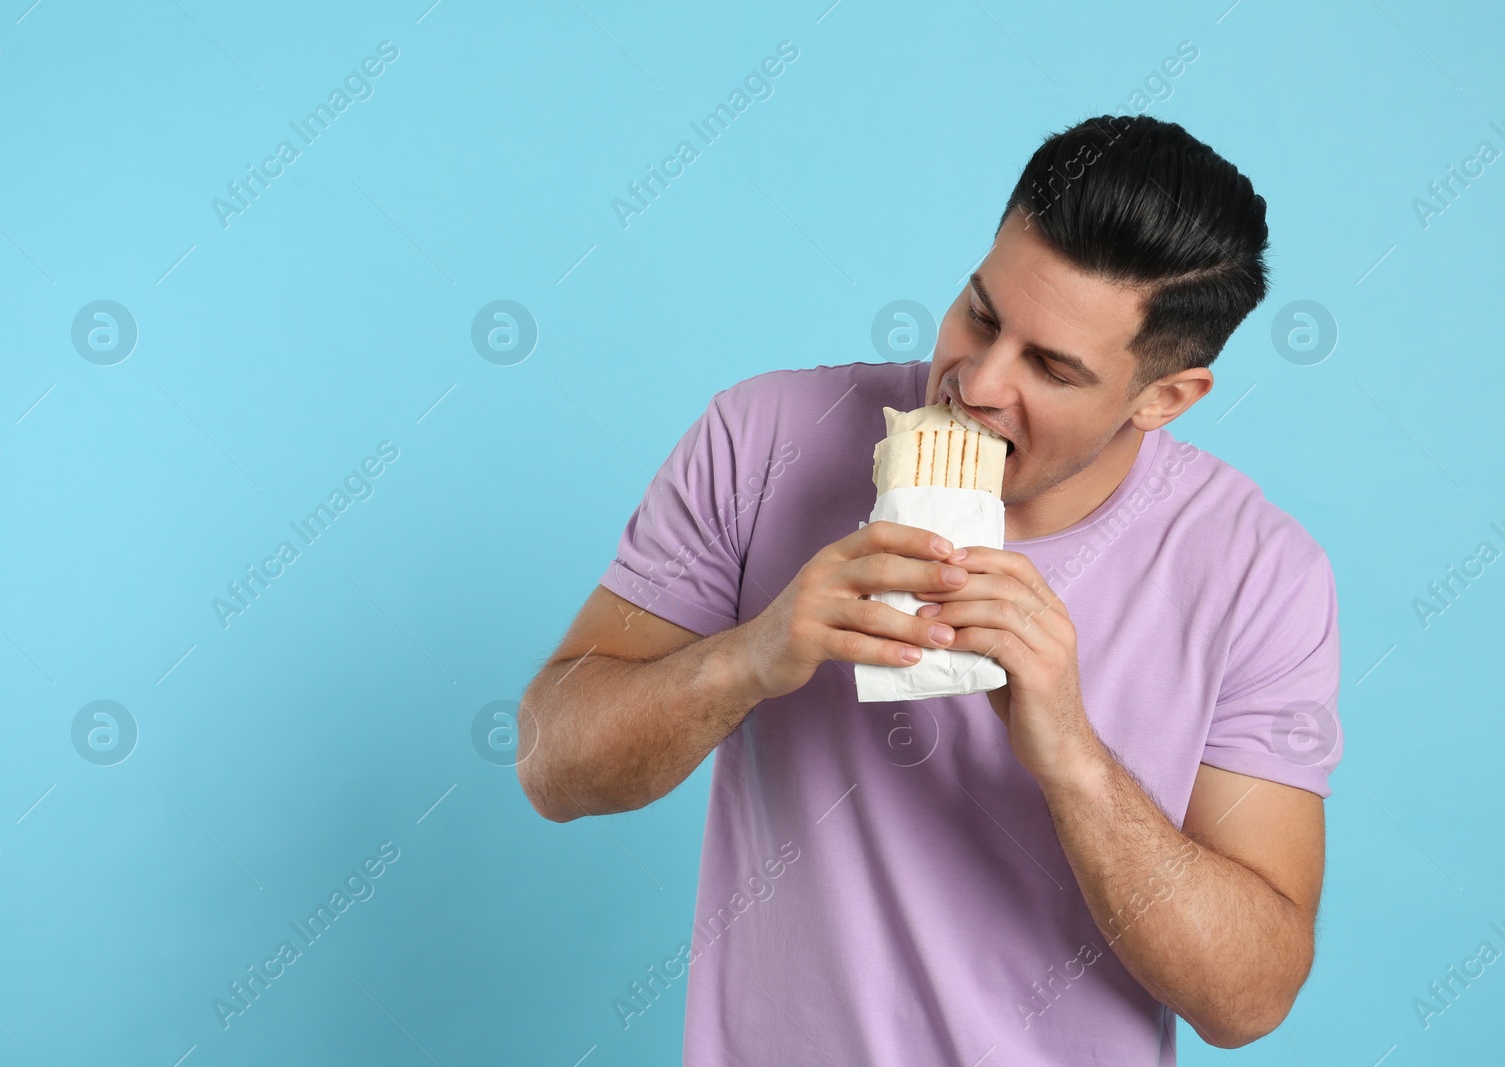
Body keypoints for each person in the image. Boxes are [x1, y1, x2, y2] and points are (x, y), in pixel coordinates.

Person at [517, 113, 1342, 1065]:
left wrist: (1071, 755)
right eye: (983, 315)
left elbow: (1250, 999)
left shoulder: (1260, 572)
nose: (978, 384)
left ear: (1163, 398)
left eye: (1052, 368)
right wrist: (750, 655)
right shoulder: (763, 438)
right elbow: (550, 765)